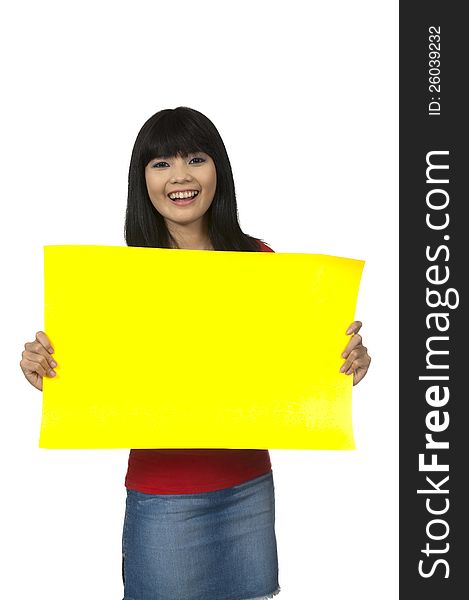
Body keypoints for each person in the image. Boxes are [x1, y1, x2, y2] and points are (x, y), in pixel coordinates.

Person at [19, 106, 371, 600]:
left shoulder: (259, 262)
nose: (179, 176)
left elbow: (287, 368)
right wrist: (45, 367)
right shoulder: (118, 279)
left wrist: (345, 363)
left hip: (248, 489)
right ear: (141, 180)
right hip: (164, 496)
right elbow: (97, 378)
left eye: (195, 159)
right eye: (161, 163)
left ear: (217, 171)